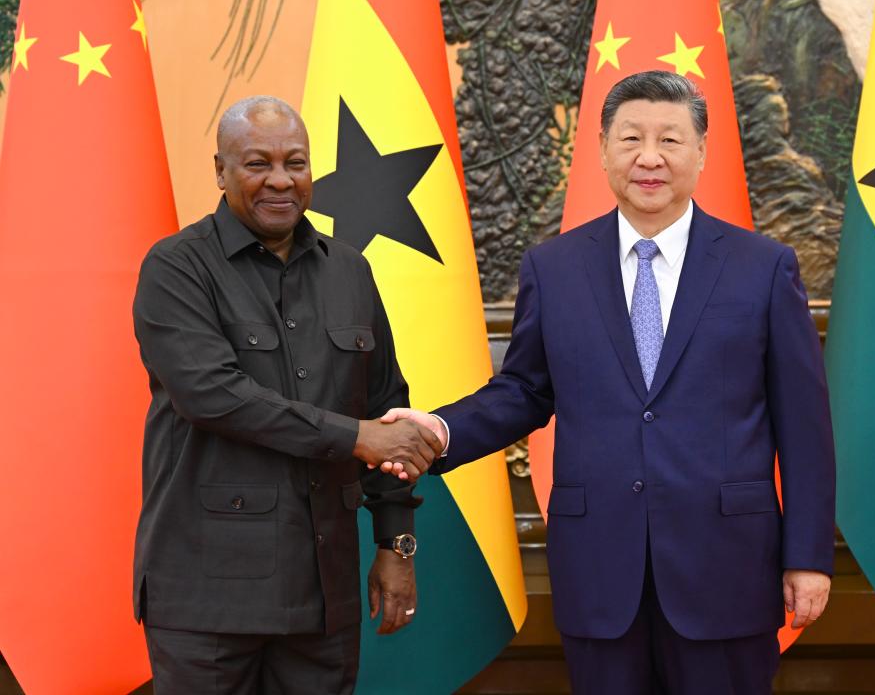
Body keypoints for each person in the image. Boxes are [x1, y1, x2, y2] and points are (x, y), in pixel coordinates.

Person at [384, 71, 836, 694]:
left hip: (725, 567)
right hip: (599, 569)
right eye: (630, 139)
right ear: (601, 150)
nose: (649, 157)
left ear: (701, 152)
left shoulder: (763, 268)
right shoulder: (555, 268)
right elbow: (525, 391)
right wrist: (439, 429)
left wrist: (808, 557)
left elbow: (804, 427)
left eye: (670, 140)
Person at [131, 96, 441, 694]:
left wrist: (396, 544)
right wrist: (355, 437)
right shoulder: (176, 267)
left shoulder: (349, 270)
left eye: (295, 162)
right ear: (220, 171)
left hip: (322, 593)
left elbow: (385, 410)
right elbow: (212, 394)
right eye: (258, 163)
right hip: (207, 598)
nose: (280, 180)